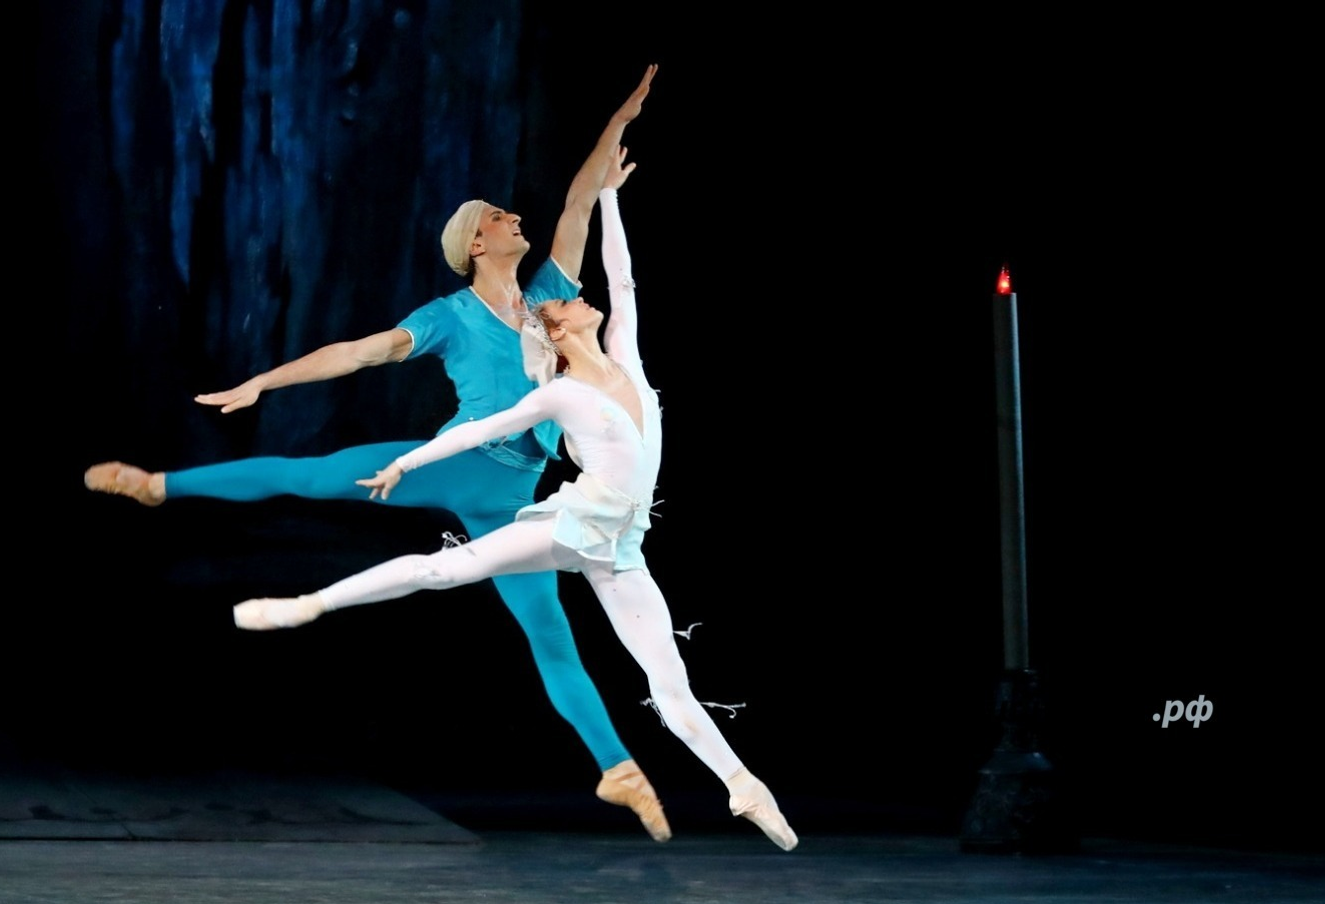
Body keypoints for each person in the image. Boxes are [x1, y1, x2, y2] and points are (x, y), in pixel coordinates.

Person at [84, 66, 670, 842]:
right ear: (476, 242)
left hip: (517, 495)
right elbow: (358, 353)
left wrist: (618, 121)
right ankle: (161, 485)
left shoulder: (547, 301)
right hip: (455, 461)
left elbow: (578, 203)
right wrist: (264, 381)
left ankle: (616, 768)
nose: (514, 216)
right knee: (309, 476)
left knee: (548, 632)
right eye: (500, 216)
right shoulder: (449, 315)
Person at [231, 154, 799, 851]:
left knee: (668, 679)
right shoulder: (557, 394)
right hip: (570, 525)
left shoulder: (624, 354)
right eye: (560, 305)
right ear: (557, 332)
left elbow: (621, 275)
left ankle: (744, 786)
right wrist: (405, 462)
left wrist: (611, 197)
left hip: (623, 549)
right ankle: (307, 605)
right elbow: (477, 430)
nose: (569, 296)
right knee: (444, 570)